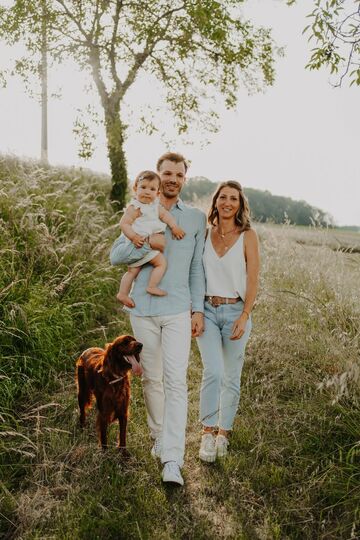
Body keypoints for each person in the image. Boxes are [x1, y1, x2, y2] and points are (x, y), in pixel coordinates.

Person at [110, 152, 206, 486]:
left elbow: (196, 269)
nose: (172, 179)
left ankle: (172, 459)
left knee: (176, 381)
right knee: (151, 378)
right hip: (143, 310)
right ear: (157, 175)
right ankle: (158, 437)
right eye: (167, 173)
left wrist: (198, 310)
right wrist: (146, 241)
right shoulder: (138, 210)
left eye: (178, 175)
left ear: (184, 179)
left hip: (178, 309)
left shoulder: (194, 219)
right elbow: (115, 256)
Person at [196, 180, 260, 462]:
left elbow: (254, 279)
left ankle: (224, 434)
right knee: (213, 371)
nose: (227, 202)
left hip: (236, 312)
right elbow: (195, 273)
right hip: (208, 310)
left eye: (233, 198)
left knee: (231, 376)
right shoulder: (205, 233)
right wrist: (195, 310)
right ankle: (207, 433)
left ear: (240, 204)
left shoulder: (248, 236)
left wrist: (245, 315)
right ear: (216, 201)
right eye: (223, 197)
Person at [110, 170, 185, 307]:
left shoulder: (156, 207)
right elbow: (124, 223)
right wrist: (133, 237)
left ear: (157, 193)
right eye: (143, 187)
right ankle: (128, 292)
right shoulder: (135, 207)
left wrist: (174, 227)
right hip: (137, 243)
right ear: (135, 189)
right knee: (142, 268)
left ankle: (142, 288)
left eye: (152, 189)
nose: (146, 192)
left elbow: (166, 217)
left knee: (143, 268)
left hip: (149, 244)